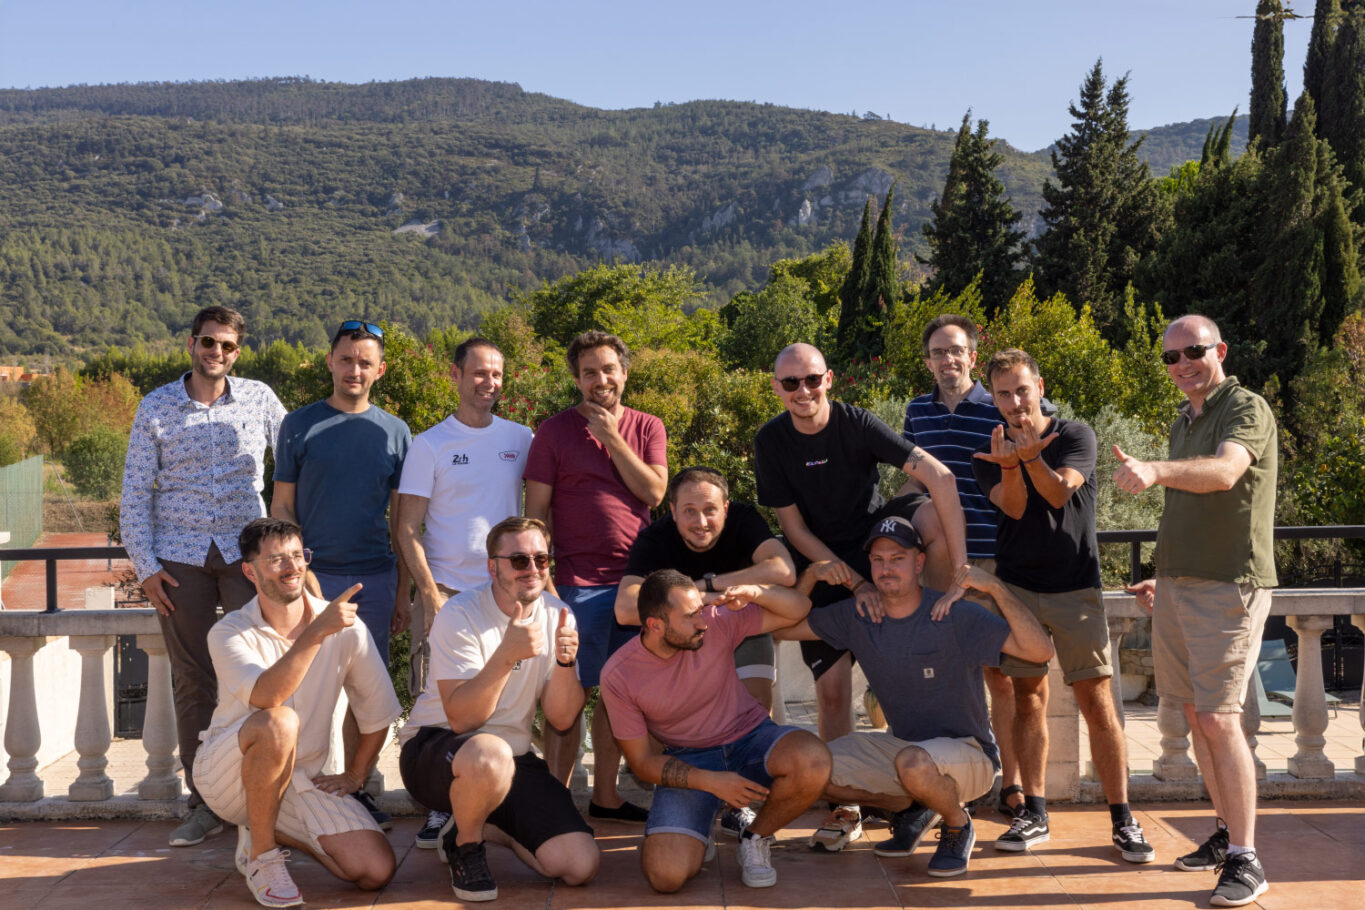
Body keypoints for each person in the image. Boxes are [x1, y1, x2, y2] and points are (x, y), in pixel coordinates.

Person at [753, 341, 968, 850]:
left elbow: (940, 475)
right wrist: (856, 582)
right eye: (791, 383)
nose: (803, 391)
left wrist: (961, 575)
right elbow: (794, 529)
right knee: (831, 694)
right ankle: (845, 806)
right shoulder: (772, 440)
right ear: (777, 388)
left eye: (812, 380)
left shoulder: (856, 422)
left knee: (930, 515)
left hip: (877, 547)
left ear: (828, 379)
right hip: (824, 564)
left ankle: (931, 617)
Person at [779, 517, 1053, 877]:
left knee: (912, 763)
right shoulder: (859, 615)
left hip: (970, 754)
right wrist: (812, 576)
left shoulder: (953, 613)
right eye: (878, 560)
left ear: (919, 562)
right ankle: (916, 807)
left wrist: (996, 589)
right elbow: (782, 628)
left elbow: (1040, 651)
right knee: (806, 769)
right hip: (906, 752)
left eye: (898, 558)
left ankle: (957, 824)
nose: (887, 568)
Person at [1113, 314, 1277, 907]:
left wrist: (1155, 470)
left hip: (1228, 586)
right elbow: (1193, 506)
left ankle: (1247, 859)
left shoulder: (1245, 407)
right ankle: (1227, 833)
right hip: (1180, 587)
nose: (1181, 364)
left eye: (1193, 352)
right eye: (1171, 357)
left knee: (1219, 718)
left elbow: (1227, 472)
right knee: (1191, 713)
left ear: (1220, 350)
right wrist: (1168, 577)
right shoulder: (1185, 420)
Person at [971, 348, 1152, 863]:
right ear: (994, 399)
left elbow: (1056, 495)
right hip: (1018, 592)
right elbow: (1014, 507)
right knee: (1027, 698)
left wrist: (1029, 458)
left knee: (1097, 702)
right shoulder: (987, 452)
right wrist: (1012, 463)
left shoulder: (1076, 436)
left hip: (1076, 589)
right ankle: (1034, 812)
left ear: (1040, 387)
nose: (1015, 402)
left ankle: (1122, 818)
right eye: (1003, 394)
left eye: (1022, 390)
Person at [120, 305, 287, 847]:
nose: (217, 352)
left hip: (247, 558)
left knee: (260, 673)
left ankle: (263, 794)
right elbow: (134, 494)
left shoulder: (261, 399)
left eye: (227, 345)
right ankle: (204, 802)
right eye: (209, 342)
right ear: (191, 344)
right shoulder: (156, 406)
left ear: (238, 352)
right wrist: (147, 568)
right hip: (179, 561)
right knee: (193, 679)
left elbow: (297, 460)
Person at [194, 518, 400, 909]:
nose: (292, 567)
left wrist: (355, 775)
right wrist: (316, 632)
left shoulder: (346, 627)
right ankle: (262, 857)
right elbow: (268, 696)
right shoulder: (229, 631)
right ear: (250, 572)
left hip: (302, 780)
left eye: (297, 555)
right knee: (279, 722)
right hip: (227, 777)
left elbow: (378, 711)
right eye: (276, 560)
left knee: (375, 870)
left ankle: (262, 829)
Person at [398, 517, 598, 902]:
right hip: (436, 747)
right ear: (493, 567)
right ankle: (467, 846)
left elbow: (561, 719)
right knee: (490, 753)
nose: (533, 568)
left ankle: (478, 821)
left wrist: (565, 663)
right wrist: (507, 654)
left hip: (511, 757)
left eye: (541, 559)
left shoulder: (558, 614)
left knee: (579, 864)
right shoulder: (459, 614)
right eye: (519, 560)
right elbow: (463, 718)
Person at [600, 569, 831, 892]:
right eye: (690, 616)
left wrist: (755, 592)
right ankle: (698, 825)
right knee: (666, 876)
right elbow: (642, 763)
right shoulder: (619, 675)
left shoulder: (716, 621)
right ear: (655, 625)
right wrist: (712, 782)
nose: (702, 622)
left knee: (813, 761)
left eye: (700, 611)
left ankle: (755, 837)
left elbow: (799, 608)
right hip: (688, 759)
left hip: (751, 738)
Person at [270, 319, 411, 829]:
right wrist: (301, 573)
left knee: (367, 693)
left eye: (365, 362)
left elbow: (402, 521)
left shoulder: (396, 431)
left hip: (375, 579)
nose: (355, 369)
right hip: (311, 579)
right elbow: (282, 507)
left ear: (380, 370)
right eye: (346, 359)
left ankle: (357, 786)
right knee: (299, 689)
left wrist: (403, 592)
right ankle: (290, 795)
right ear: (330, 362)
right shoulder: (299, 424)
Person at [395, 336, 533, 846]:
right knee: (438, 704)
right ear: (455, 375)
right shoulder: (429, 444)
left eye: (496, 374)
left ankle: (492, 798)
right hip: (447, 594)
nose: (488, 383)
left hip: (506, 597)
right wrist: (430, 594)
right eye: (478, 373)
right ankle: (440, 805)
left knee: (504, 699)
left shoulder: (521, 438)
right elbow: (407, 526)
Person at [525, 330, 667, 821]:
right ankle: (554, 806)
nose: (600, 380)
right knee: (567, 698)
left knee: (618, 695)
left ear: (624, 373)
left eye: (609, 369)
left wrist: (612, 438)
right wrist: (545, 584)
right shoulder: (553, 432)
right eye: (589, 372)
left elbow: (654, 493)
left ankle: (606, 797)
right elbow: (536, 514)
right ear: (577, 380)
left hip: (634, 586)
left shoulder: (648, 426)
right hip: (574, 583)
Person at [615, 466, 796, 836]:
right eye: (689, 511)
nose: (700, 521)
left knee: (756, 702)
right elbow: (624, 608)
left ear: (725, 508)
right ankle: (690, 798)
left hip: (739, 622)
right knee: (659, 713)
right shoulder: (655, 538)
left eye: (710, 510)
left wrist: (710, 586)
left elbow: (783, 571)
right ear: (672, 510)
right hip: (684, 636)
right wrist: (695, 598)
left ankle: (737, 804)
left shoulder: (744, 519)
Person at [900, 314, 1022, 817]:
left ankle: (1012, 781)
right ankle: (941, 784)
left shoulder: (998, 405)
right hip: (936, 562)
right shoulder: (917, 411)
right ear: (928, 361)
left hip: (992, 556)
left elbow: (1040, 431)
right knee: (939, 673)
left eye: (955, 350)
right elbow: (914, 481)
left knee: (999, 674)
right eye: (937, 352)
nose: (947, 359)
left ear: (972, 355)